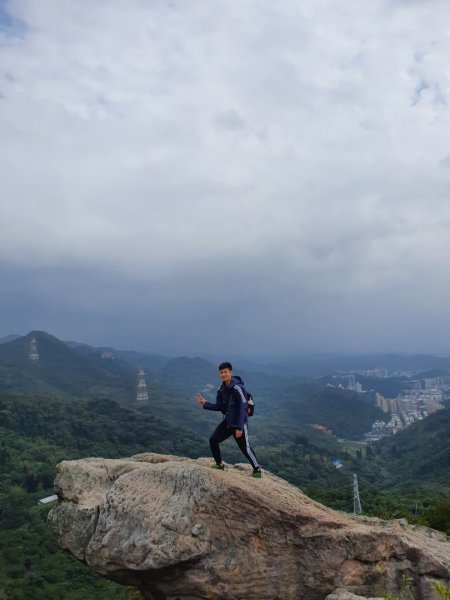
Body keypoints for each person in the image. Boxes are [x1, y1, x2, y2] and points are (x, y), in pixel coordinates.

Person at [196, 361, 261, 478]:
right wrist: (205, 404)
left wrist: (240, 427)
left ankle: (257, 469)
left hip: (239, 422)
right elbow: (219, 406)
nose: (223, 374)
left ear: (230, 372)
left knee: (245, 448)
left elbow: (243, 408)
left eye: (225, 372)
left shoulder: (238, 388)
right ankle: (219, 464)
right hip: (228, 422)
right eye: (221, 373)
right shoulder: (222, 389)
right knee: (213, 440)